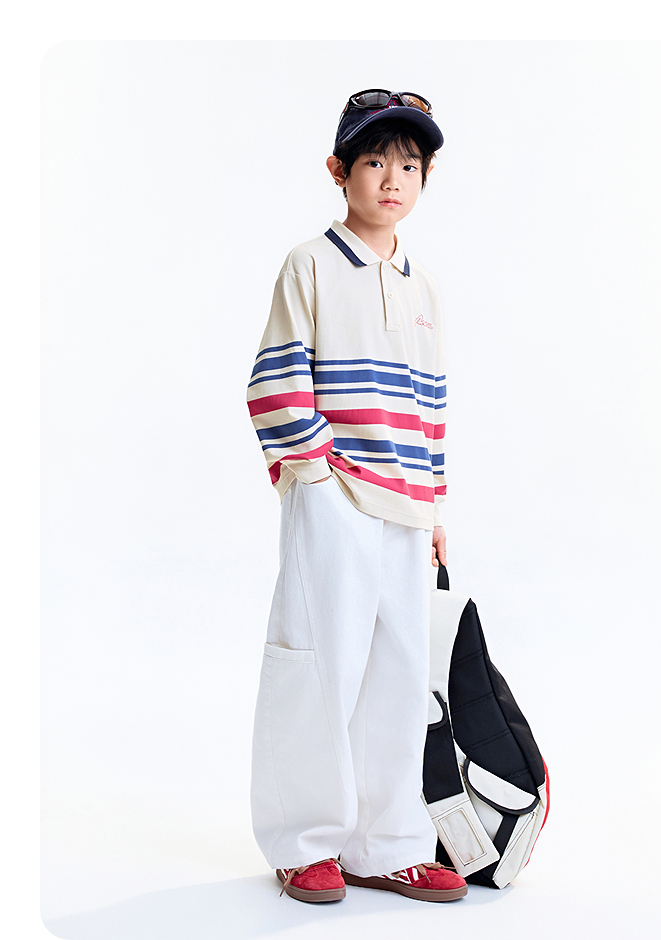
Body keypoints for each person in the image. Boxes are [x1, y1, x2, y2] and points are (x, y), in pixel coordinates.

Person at [246, 89, 466, 904]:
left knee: (399, 679)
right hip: (336, 494)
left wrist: (433, 506)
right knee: (319, 665)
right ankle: (305, 841)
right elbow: (275, 378)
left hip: (406, 505)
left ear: (426, 177)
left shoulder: (423, 287)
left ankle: (387, 843)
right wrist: (314, 474)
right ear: (339, 170)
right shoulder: (310, 264)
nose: (392, 178)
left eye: (409, 164)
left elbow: (431, 406)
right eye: (374, 161)